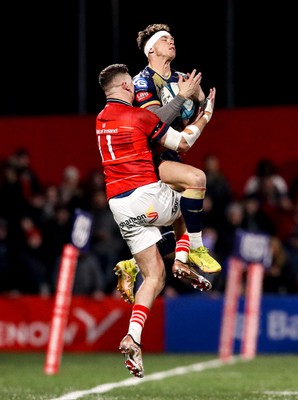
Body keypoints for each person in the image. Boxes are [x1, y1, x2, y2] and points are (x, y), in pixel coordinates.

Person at [96, 63, 216, 378]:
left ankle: (133, 337)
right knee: (190, 194)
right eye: (132, 86)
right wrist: (205, 114)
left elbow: (153, 120)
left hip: (119, 207)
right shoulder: (138, 117)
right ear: (124, 87)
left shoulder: (101, 119)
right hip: (144, 195)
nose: (136, 89)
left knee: (154, 278)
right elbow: (183, 143)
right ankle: (182, 258)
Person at [115, 23, 221, 302]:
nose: (171, 41)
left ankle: (133, 265)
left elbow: (188, 121)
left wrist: (199, 103)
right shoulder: (142, 82)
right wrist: (188, 100)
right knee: (196, 181)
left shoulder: (182, 77)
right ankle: (194, 252)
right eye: (165, 39)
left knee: (185, 216)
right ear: (152, 50)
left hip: (172, 152)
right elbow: (154, 123)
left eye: (172, 37)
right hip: (148, 158)